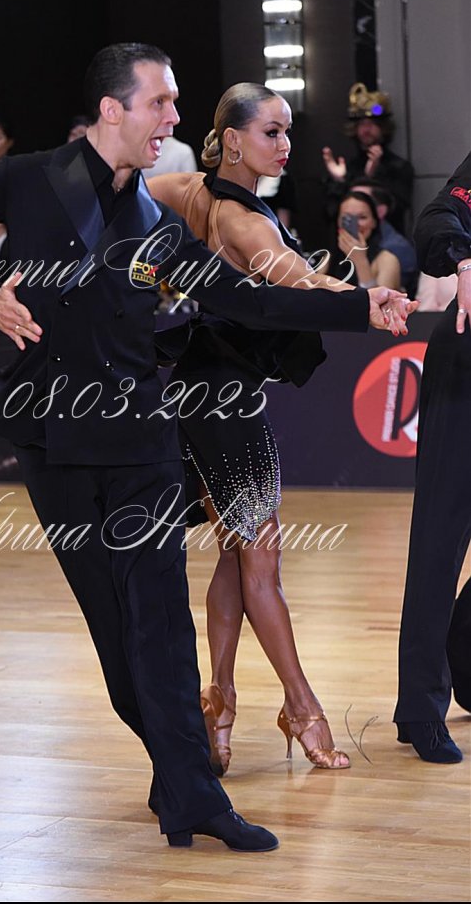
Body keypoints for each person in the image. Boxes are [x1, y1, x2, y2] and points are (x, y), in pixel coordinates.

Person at [0, 43, 413, 850]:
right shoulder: (31, 178)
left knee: (165, 628)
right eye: (161, 103)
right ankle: (178, 774)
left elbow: (250, 301)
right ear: (112, 108)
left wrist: (360, 306)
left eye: (175, 104)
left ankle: (194, 798)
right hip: (55, 439)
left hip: (143, 437)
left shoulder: (155, 220)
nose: (174, 120)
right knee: (119, 642)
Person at [148, 83, 357, 776]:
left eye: (287, 131)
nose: (285, 144)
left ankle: (218, 703)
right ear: (233, 139)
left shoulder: (189, 192)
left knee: (234, 556)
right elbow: (304, 283)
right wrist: (371, 300)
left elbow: (123, 192)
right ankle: (302, 706)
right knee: (261, 566)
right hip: (227, 406)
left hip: (195, 393)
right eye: (272, 131)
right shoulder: (245, 222)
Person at [394, 150, 471, 763]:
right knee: (440, 541)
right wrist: (465, 260)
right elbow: (439, 217)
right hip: (467, 364)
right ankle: (421, 708)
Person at [322, 83, 414, 234]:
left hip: (386, 243)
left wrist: (373, 176)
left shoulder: (399, 167)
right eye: (362, 124)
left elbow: (394, 210)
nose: (366, 129)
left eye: (372, 124)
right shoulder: (347, 168)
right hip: (349, 242)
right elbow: (331, 213)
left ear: (383, 127)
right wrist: (340, 181)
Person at [348, 178, 418, 297]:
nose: (353, 222)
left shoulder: (394, 249)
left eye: (362, 200)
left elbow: (383, 300)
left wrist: (360, 262)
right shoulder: (335, 249)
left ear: (380, 211)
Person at [336, 190, 405, 292]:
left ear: (374, 222)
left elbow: (381, 300)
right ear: (338, 221)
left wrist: (360, 261)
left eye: (362, 217)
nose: (355, 224)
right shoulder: (328, 256)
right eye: (347, 218)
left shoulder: (387, 260)